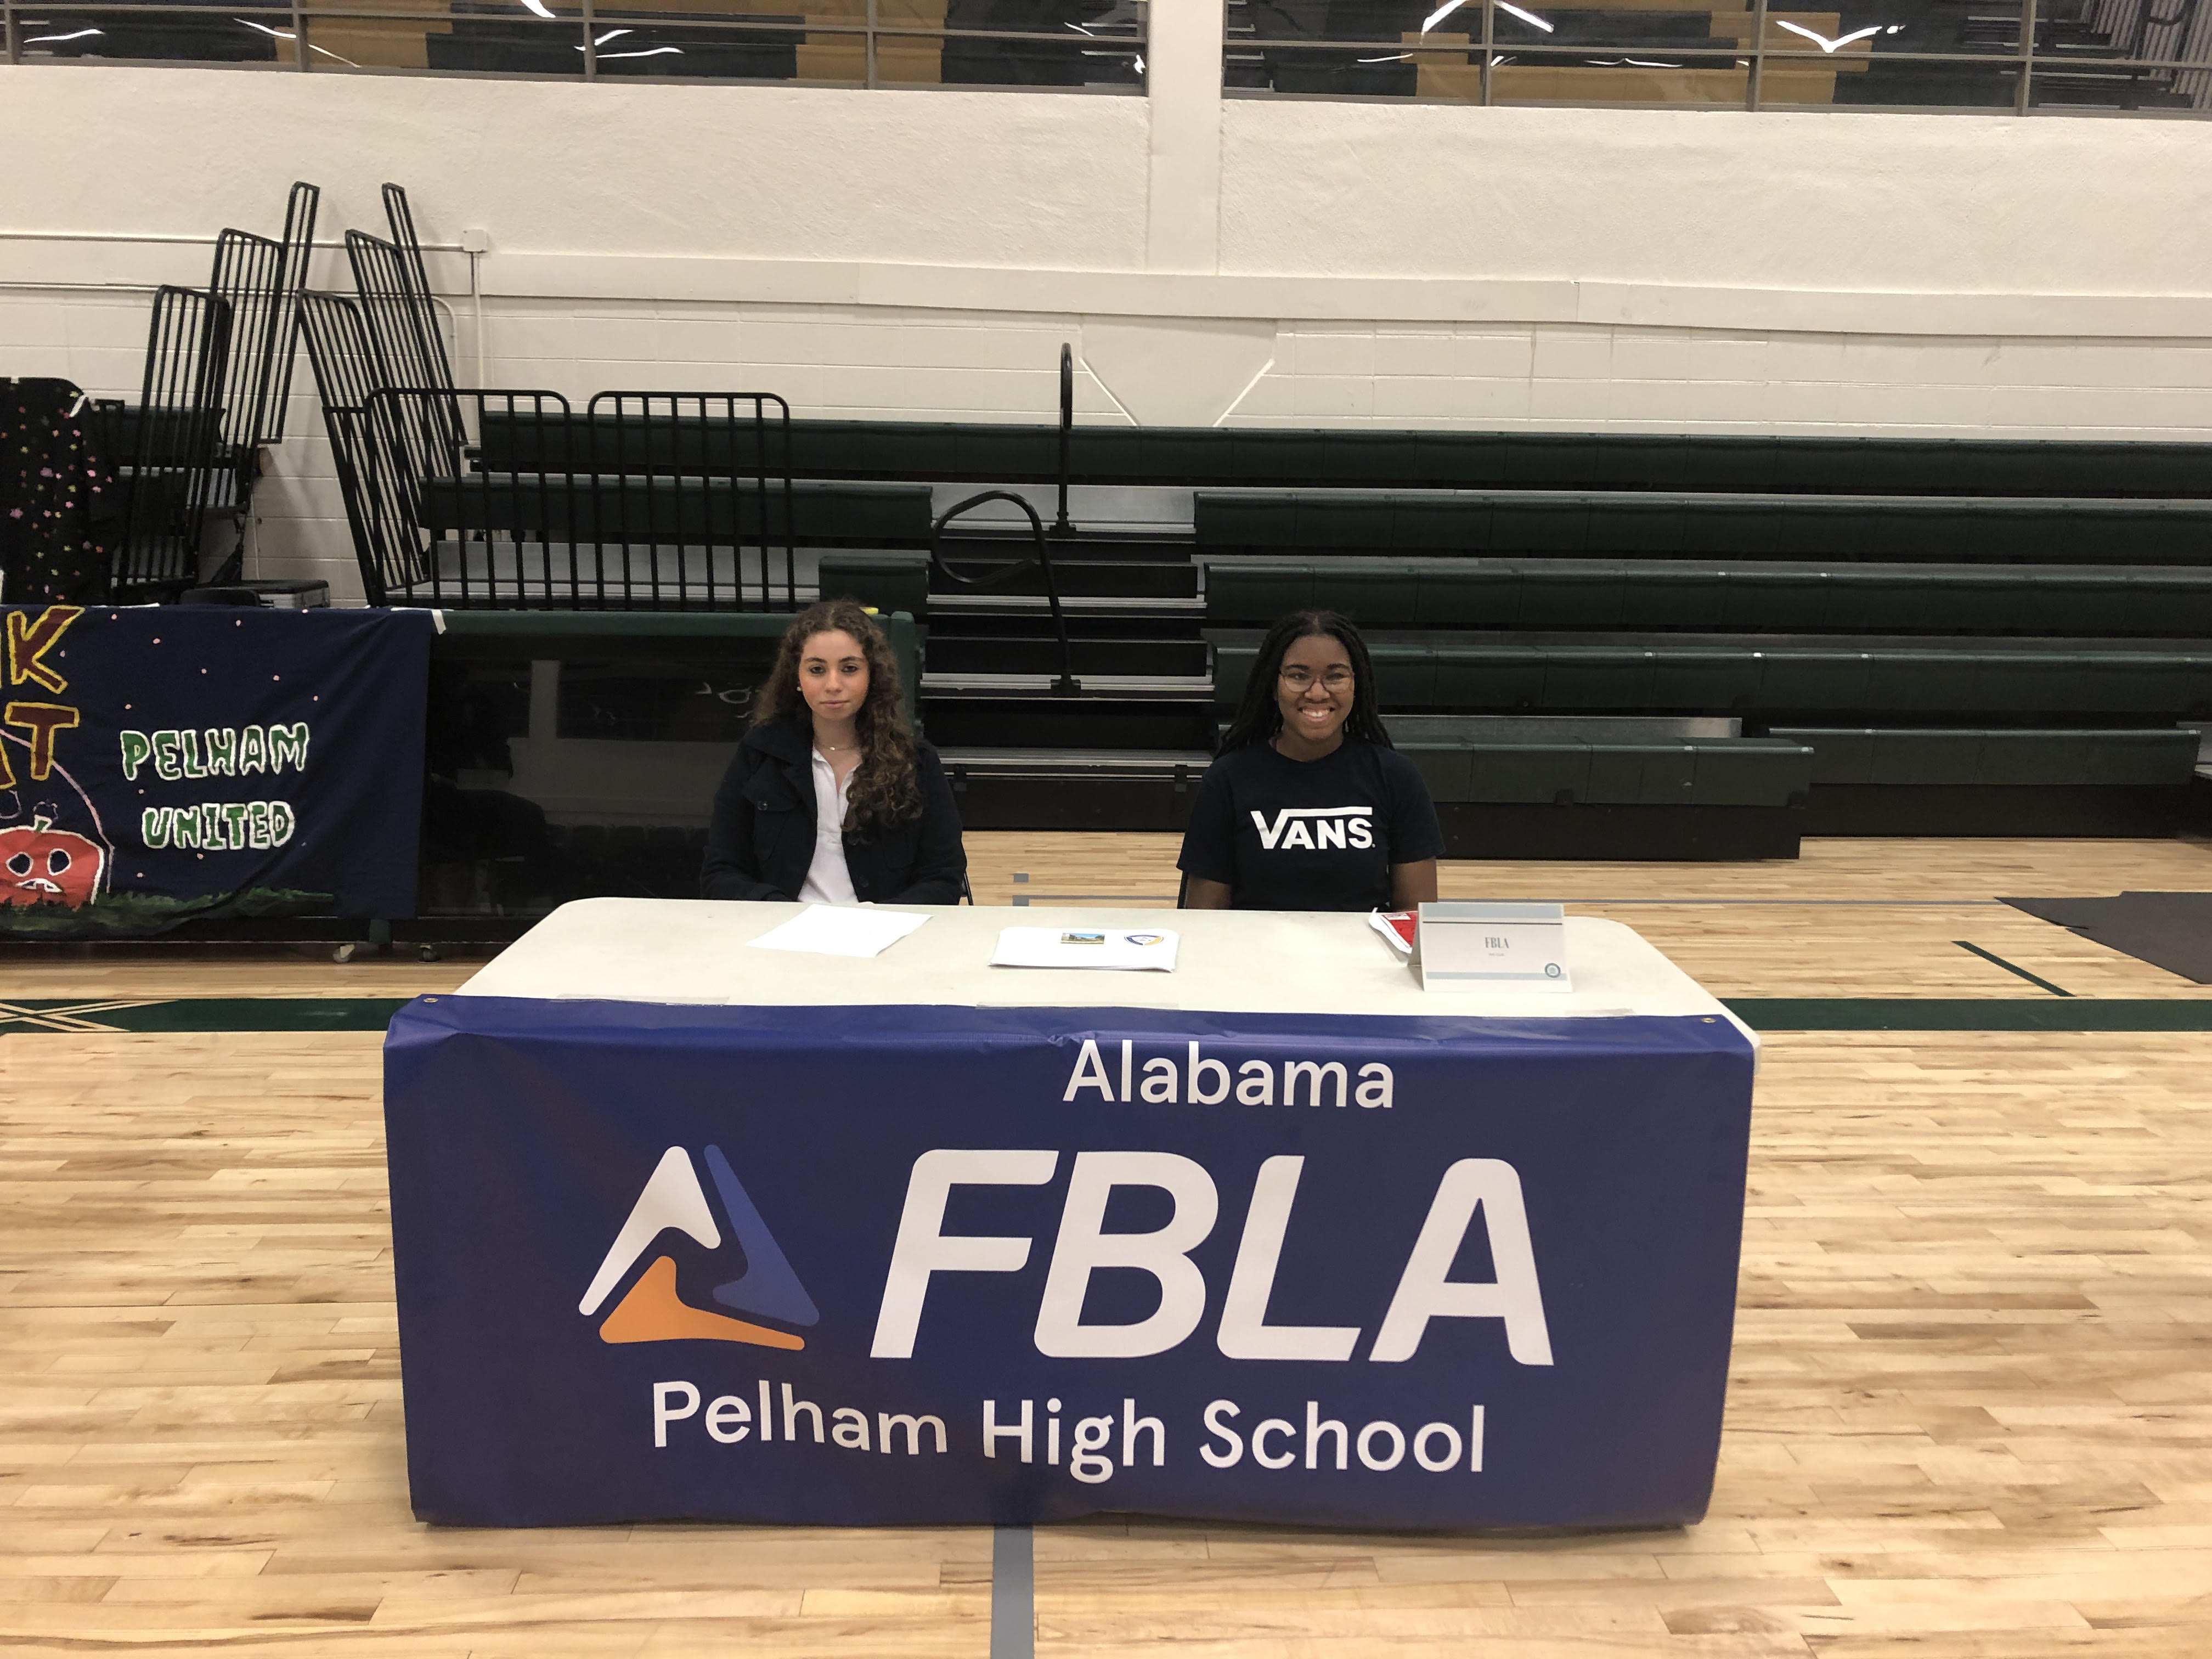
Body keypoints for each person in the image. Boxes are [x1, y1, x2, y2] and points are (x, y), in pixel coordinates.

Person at [702, 600, 967, 905]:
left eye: (849, 669)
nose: (833, 684)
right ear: (797, 678)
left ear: (872, 676)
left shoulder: (917, 762)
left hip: (886, 939)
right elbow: (721, 872)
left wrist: (885, 922)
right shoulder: (759, 754)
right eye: (817, 670)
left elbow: (943, 876)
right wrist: (780, 913)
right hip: (782, 936)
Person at [1178, 610, 1442, 912]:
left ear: (1357, 685)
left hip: (1362, 959)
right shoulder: (1228, 779)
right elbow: (1205, 920)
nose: (1317, 692)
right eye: (1298, 676)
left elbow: (1414, 919)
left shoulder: (1396, 777)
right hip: (1257, 958)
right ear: (1274, 687)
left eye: (1336, 676)